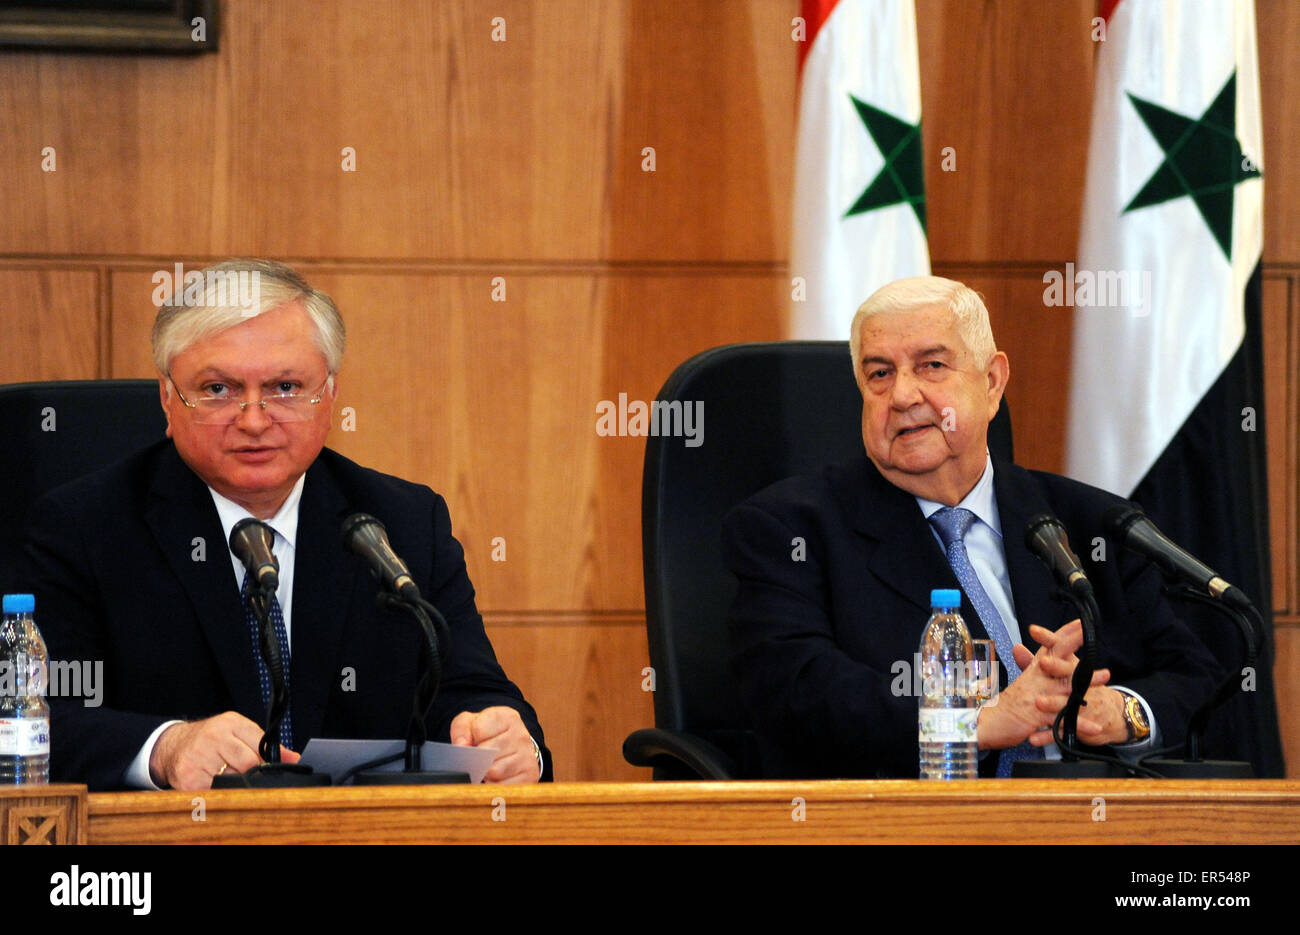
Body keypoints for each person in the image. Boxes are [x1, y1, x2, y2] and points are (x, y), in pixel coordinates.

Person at [21, 259, 549, 791]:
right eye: (218, 390)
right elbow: (32, 719)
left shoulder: (401, 524)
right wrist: (164, 747)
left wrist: (507, 740)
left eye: (286, 386)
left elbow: (468, 692)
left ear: (331, 394)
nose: (254, 420)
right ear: (167, 397)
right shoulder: (84, 528)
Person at [723, 276, 1220, 778]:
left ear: (991, 382)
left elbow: (1197, 675)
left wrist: (1120, 713)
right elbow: (794, 695)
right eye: (879, 373)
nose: (901, 394)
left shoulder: (1093, 525)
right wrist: (975, 723)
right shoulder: (790, 531)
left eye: (931, 366)